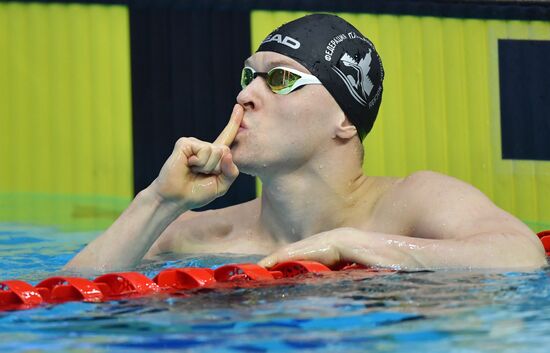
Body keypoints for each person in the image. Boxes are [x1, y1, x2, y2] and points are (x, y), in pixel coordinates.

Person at [65, 14, 546, 272]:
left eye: (279, 79)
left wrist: (353, 245)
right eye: (248, 76)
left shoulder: (413, 202)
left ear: (344, 118)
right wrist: (157, 202)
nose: (244, 95)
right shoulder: (201, 233)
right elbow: (58, 300)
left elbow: (520, 253)